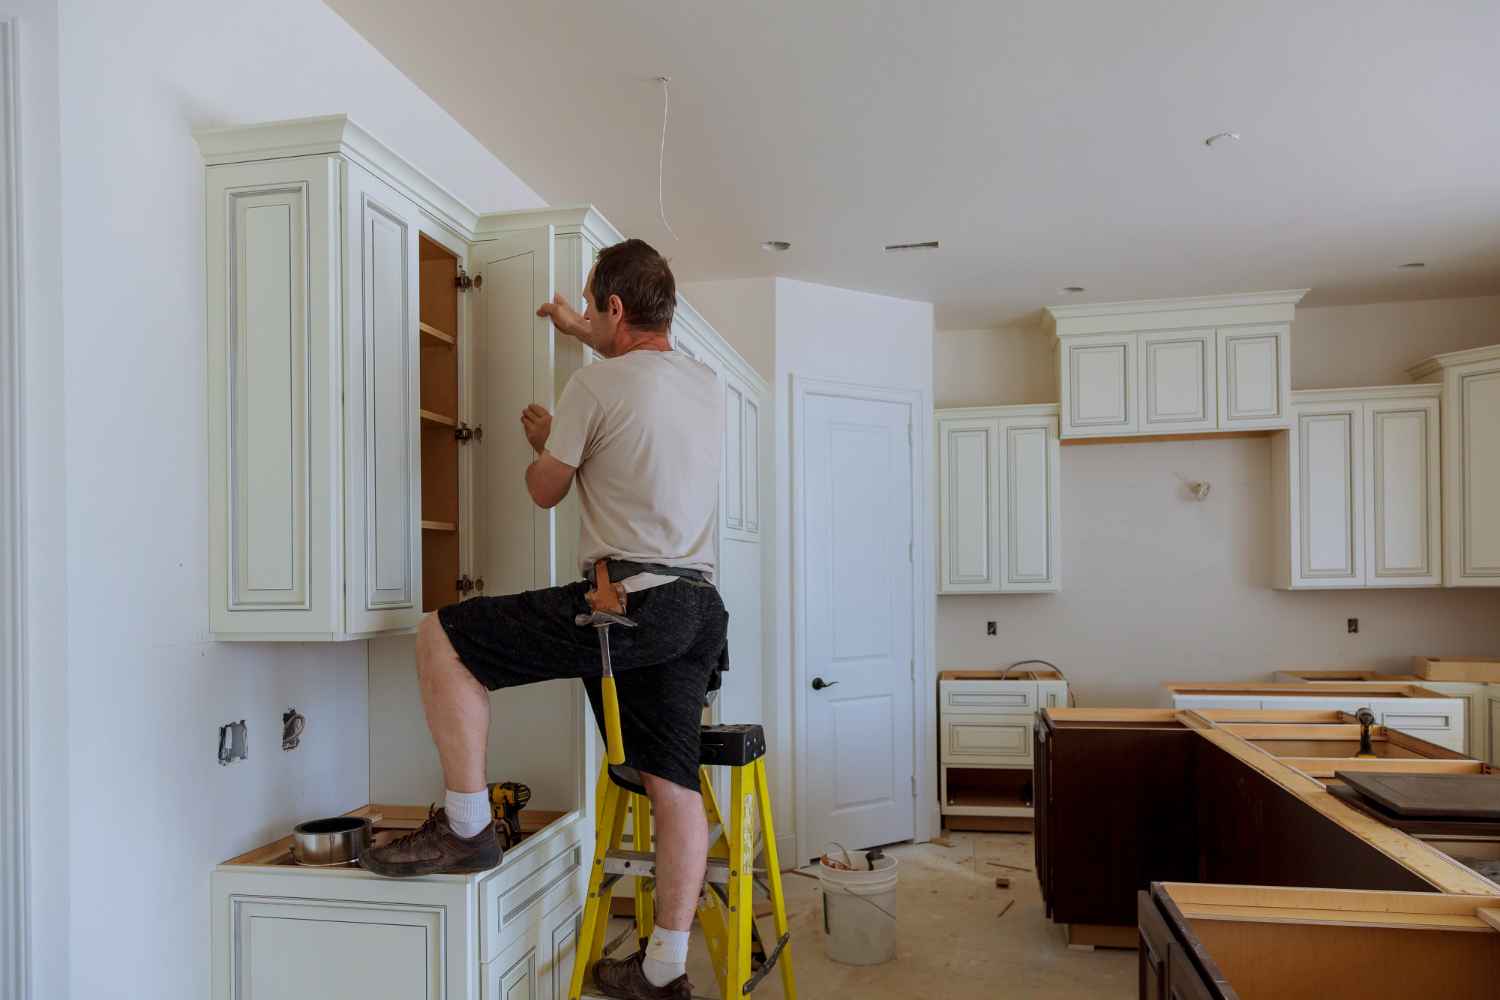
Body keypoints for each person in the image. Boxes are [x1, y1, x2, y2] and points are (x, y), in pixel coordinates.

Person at [362, 238, 725, 1000]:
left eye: (595, 305)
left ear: (615, 308)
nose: (588, 316)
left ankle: (467, 826)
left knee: (442, 636)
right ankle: (663, 972)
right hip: (698, 607)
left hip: (629, 601)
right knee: (672, 785)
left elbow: (544, 491)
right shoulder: (702, 382)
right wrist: (579, 326)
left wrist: (543, 441)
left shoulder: (596, 388)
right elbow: (637, 371)